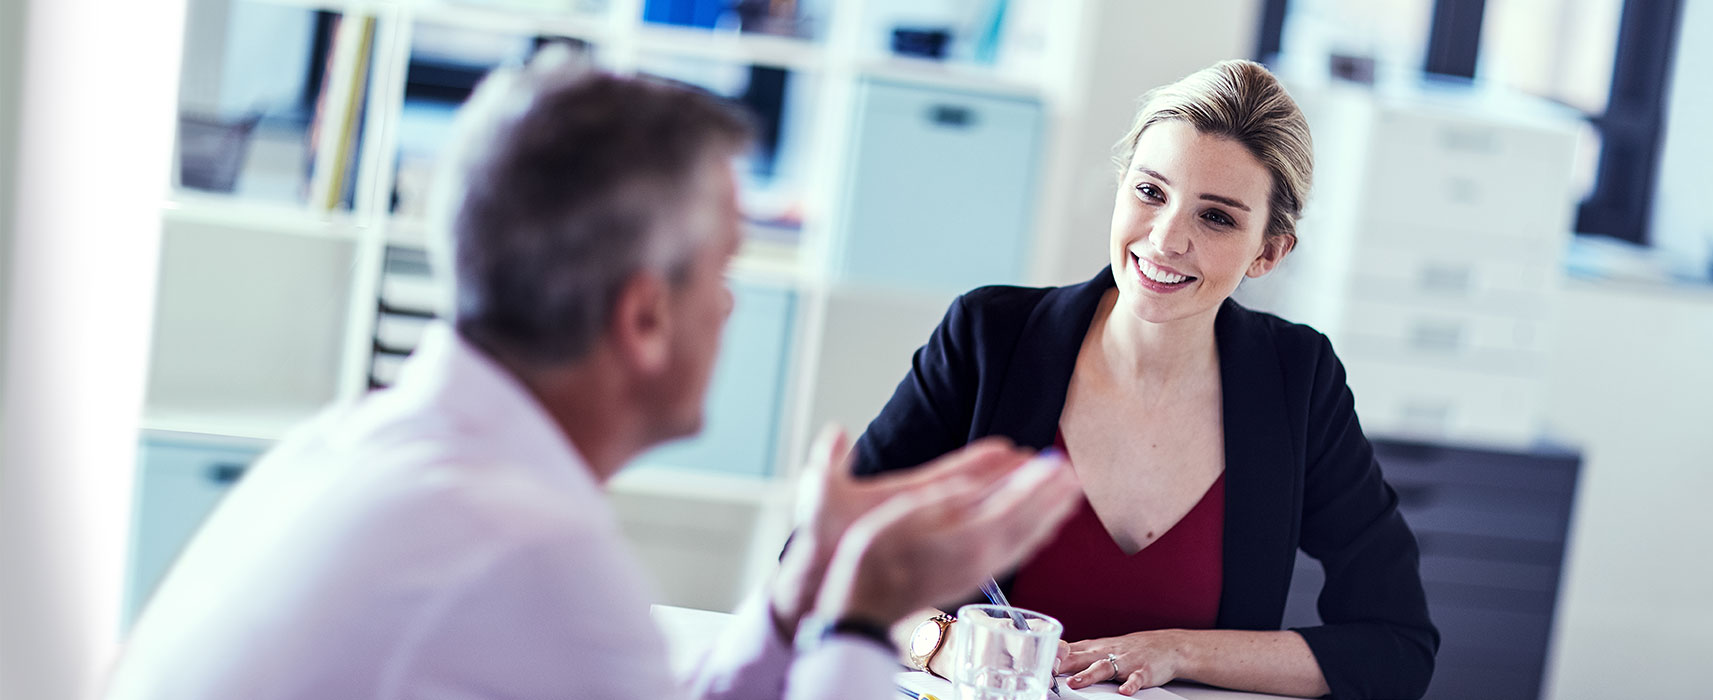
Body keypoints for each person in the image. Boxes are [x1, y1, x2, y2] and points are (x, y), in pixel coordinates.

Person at [105, 50, 1080, 700]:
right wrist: (865, 620)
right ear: (645, 316)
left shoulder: (357, 448)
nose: (734, 307)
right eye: (726, 270)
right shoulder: (518, 544)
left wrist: (802, 598)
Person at [854, 60, 1437, 699]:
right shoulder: (990, 337)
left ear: (1268, 253)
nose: (1164, 240)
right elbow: (827, 558)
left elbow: (1396, 645)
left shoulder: (1298, 382)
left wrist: (1174, 650)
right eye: (1150, 192)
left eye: (1216, 217)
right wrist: (943, 643)